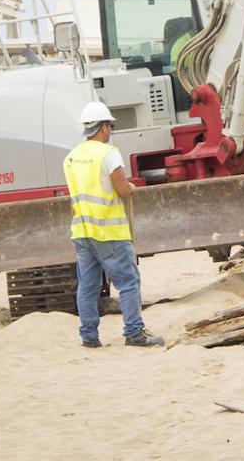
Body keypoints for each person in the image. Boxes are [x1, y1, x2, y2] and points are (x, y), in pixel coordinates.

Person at [63, 101, 164, 348]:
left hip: (82, 231)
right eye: (110, 126)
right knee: (129, 283)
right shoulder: (109, 153)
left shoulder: (71, 157)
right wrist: (130, 187)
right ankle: (134, 333)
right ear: (104, 128)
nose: (111, 131)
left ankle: (89, 337)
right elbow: (121, 188)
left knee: (88, 286)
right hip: (109, 232)